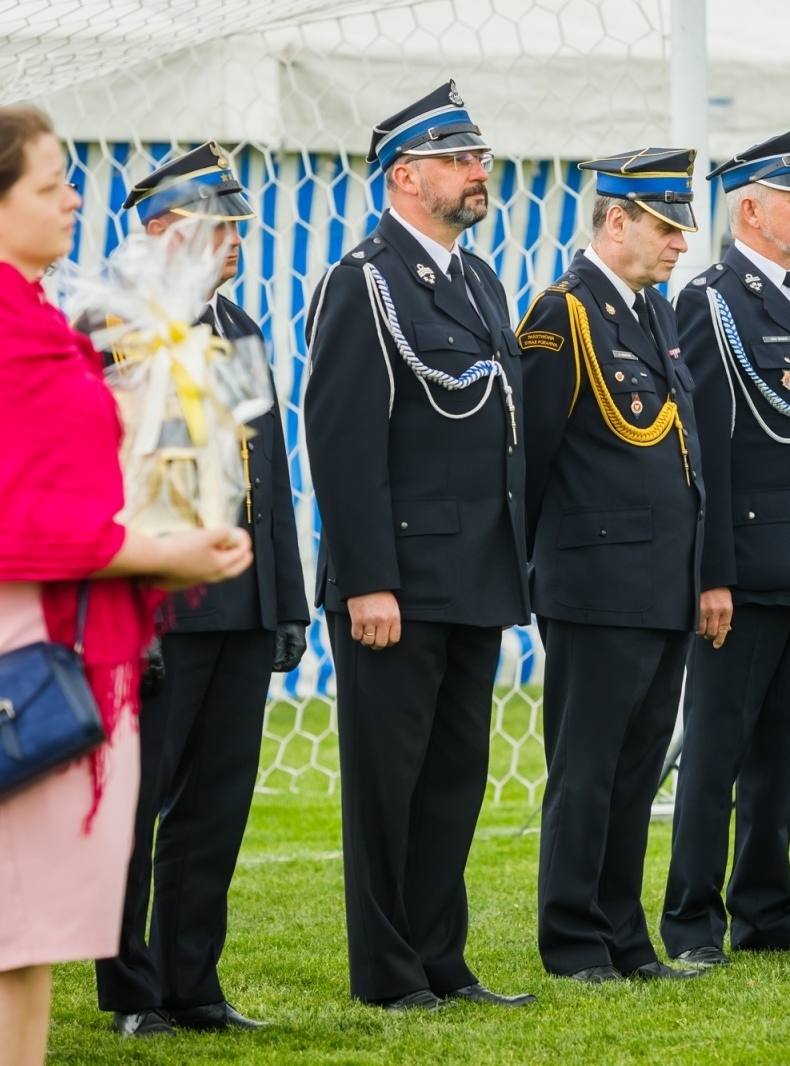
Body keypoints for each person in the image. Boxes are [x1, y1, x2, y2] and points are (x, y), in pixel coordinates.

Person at [0, 105, 253, 1066]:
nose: (75, 198)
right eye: (51, 184)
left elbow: (60, 465)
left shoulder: (25, 317)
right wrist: (163, 554)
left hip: (51, 642)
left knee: (29, 942)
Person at [304, 81, 533, 1012]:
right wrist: (366, 580)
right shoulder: (363, 278)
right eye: (460, 159)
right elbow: (343, 439)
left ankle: (444, 960)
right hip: (397, 581)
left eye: (478, 157)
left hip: (476, 572)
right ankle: (390, 974)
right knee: (387, 787)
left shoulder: (477, 278)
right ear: (406, 176)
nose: (480, 173)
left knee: (453, 782)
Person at [94, 144, 310, 1038]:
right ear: (158, 230)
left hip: (240, 597)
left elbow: (266, 474)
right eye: (217, 228)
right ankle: (131, 991)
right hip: (154, 602)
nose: (234, 244)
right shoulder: (113, 324)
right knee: (137, 807)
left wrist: (286, 601)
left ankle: (194, 982)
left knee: (216, 805)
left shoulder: (240, 327)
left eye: (236, 229)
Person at [659, 125, 790, 968]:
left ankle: (769, 910)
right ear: (749, 206)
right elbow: (704, 455)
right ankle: (693, 921)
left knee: (785, 749)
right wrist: (712, 572)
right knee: (716, 751)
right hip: (747, 566)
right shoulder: (709, 301)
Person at [517, 147, 707, 983]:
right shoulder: (564, 312)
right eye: (665, 228)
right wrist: (536, 577)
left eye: (681, 229)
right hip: (594, 585)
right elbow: (531, 460)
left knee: (635, 772)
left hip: (661, 580)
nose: (678, 245)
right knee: (587, 772)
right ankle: (572, 940)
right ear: (616, 220)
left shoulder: (652, 311)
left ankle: (624, 936)